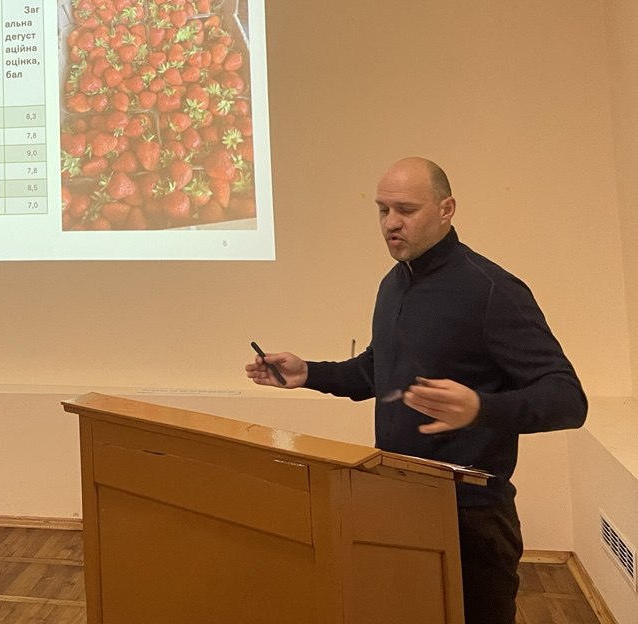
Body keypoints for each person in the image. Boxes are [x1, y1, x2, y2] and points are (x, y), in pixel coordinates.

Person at [246, 157, 586, 624]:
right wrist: (310, 373)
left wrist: (481, 408)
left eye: (405, 210)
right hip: (398, 501)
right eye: (382, 210)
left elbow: (568, 399)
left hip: (471, 518)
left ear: (446, 209)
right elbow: (378, 371)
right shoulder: (393, 284)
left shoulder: (492, 290)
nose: (391, 223)